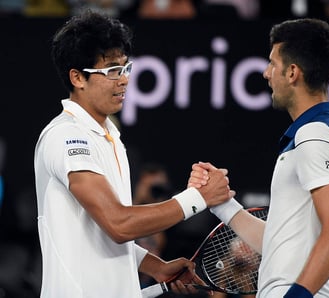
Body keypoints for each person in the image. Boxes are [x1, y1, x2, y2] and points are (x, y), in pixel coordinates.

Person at [33, 10, 235, 298]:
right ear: (77, 78)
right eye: (112, 70)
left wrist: (153, 265)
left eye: (125, 68)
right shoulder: (67, 136)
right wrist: (197, 198)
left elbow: (99, 230)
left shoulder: (108, 137)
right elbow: (118, 223)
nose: (124, 80)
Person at [189, 18, 329, 298]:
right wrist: (223, 205)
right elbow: (279, 245)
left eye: (272, 63)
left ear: (292, 72)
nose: (266, 73)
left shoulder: (315, 136)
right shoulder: (318, 134)